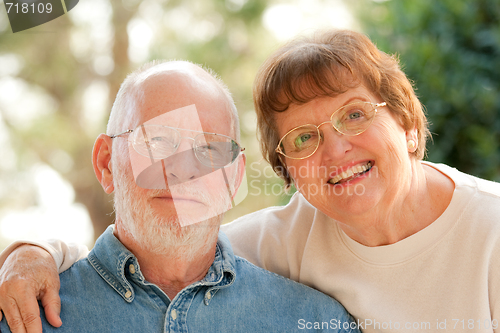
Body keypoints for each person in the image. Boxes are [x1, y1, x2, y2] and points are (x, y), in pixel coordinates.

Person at [2, 28, 500, 333]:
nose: (184, 172)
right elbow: (167, 242)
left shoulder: (490, 233)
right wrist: (31, 253)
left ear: (409, 126)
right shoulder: (273, 241)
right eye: (303, 139)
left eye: (354, 115)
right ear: (107, 164)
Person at [0, 60, 359, 333]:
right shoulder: (23, 315)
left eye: (209, 150)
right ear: (106, 163)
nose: (183, 170)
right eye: (158, 141)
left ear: (234, 179)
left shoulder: (317, 321)